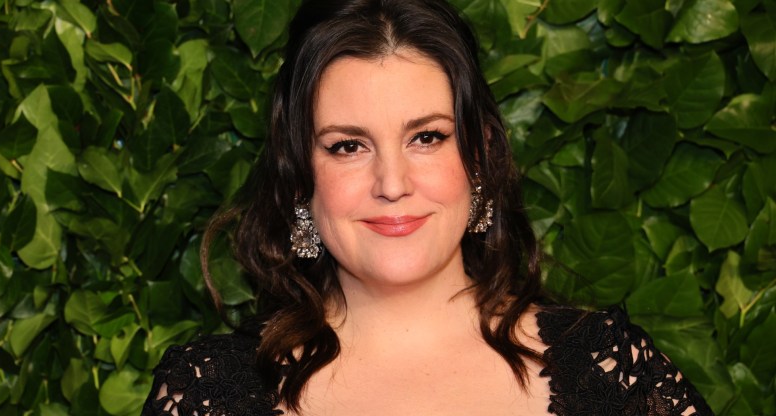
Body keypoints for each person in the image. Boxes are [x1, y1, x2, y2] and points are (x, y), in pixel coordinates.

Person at [142, 0, 713, 415]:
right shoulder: (205, 393)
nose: (392, 183)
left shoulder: (613, 371)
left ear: (480, 158)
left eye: (427, 137)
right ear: (299, 180)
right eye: (348, 146)